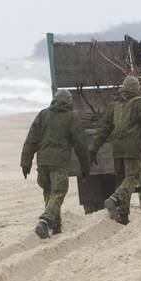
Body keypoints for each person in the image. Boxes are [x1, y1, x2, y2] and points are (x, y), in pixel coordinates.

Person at [89, 75, 141, 225]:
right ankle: (115, 199)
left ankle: (123, 215)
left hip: (117, 150)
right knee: (132, 177)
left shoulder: (115, 105)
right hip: (132, 149)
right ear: (136, 89)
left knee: (121, 180)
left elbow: (103, 129)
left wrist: (93, 148)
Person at [21, 89, 90, 239]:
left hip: (43, 162)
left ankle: (55, 226)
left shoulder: (43, 114)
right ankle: (45, 221)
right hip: (59, 163)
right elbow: (80, 144)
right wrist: (85, 166)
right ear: (69, 102)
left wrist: (25, 163)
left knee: (48, 192)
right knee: (58, 192)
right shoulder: (72, 117)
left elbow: (31, 140)